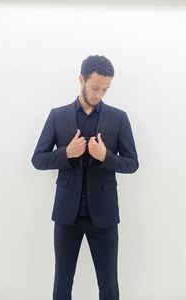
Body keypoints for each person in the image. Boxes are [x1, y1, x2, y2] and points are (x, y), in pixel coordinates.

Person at [31, 55, 139, 300]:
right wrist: (65, 153)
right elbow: (38, 159)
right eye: (95, 87)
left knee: (109, 285)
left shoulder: (119, 118)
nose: (99, 94)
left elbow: (132, 163)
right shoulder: (57, 116)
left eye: (105, 89)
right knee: (62, 285)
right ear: (81, 79)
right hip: (67, 216)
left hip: (104, 217)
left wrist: (106, 157)